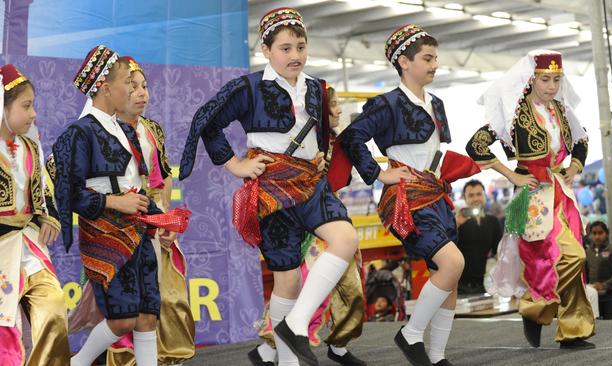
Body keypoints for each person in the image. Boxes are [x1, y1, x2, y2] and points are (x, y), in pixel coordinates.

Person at [179, 8, 359, 366]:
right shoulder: (249, 88)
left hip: (311, 184)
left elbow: (321, 131)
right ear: (266, 50)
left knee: (346, 239)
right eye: (285, 48)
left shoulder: (318, 88)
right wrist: (236, 165)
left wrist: (321, 155)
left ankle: (294, 324)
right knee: (287, 280)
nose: (295, 56)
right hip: (272, 190)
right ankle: (288, 355)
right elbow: (207, 122)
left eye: (301, 47)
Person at [335, 24, 480, 366]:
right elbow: (352, 137)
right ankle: (410, 333)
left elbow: (436, 153)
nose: (434, 64)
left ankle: (438, 355)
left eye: (435, 58)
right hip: (406, 198)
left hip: (437, 195)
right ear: (404, 61)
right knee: (453, 263)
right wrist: (378, 174)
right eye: (427, 58)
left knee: (449, 276)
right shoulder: (386, 104)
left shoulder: (437, 103)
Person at [52, 45, 177, 366]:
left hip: (140, 232)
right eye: (128, 83)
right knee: (122, 319)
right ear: (106, 89)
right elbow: (69, 194)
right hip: (106, 235)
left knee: (148, 315)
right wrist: (113, 201)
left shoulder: (127, 130)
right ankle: (78, 364)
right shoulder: (80, 133)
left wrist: (162, 222)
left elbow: (139, 187)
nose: (135, 90)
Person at [466, 50, 595, 349]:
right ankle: (535, 310)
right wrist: (511, 175)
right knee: (543, 258)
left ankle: (573, 329)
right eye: (545, 79)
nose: (551, 86)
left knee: (573, 259)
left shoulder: (560, 111)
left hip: (560, 192)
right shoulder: (515, 114)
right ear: (531, 78)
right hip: (528, 194)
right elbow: (476, 145)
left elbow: (582, 140)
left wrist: (574, 167)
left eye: (556, 79)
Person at [250, 86, 366, 366]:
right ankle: (271, 348)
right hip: (307, 223)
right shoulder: (305, 145)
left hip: (328, 218)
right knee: (306, 290)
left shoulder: (337, 142)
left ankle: (334, 344)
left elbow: (338, 184)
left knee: (349, 286)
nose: (338, 110)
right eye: (333, 106)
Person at [106, 56, 196, 366]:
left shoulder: (152, 128)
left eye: (144, 86)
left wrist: (165, 218)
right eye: (132, 87)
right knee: (134, 304)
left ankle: (169, 357)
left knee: (171, 298)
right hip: (124, 229)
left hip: (155, 221)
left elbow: (164, 176)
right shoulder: (104, 133)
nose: (142, 93)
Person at [0, 64, 70, 365]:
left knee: (53, 307)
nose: (33, 114)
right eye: (26, 106)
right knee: (6, 330)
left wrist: (49, 217)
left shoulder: (31, 146)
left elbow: (44, 191)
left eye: (33, 105)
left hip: (28, 245)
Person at [455, 180, 502, 295]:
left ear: (485, 195)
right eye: (471, 195)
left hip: (482, 284)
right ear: (464, 198)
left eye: (479, 194)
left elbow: (499, 252)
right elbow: (445, 246)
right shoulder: (457, 220)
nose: (476, 198)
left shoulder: (492, 221)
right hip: (457, 285)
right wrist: (456, 224)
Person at [585, 221, 612, 319]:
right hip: (594, 297)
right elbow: (585, 273)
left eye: (600, 233)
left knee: (611, 328)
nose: (597, 236)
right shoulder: (587, 252)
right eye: (594, 233)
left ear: (606, 233)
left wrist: (604, 285)